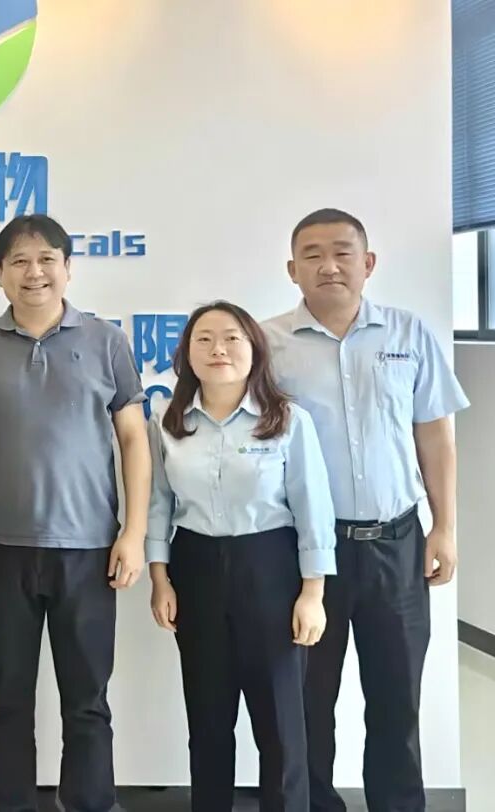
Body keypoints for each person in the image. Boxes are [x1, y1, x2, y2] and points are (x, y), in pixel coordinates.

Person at [0, 214, 150, 812]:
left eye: (47, 259)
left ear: (68, 268)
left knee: (88, 700)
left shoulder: (106, 341)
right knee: (7, 698)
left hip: (90, 549)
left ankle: (89, 802)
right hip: (0, 549)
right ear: (0, 275)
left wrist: (133, 532)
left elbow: (134, 438)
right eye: (19, 262)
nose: (34, 272)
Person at [263, 208, 469, 812]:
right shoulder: (266, 344)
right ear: (292, 270)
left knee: (397, 698)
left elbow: (435, 437)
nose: (329, 265)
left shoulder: (409, 334)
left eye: (342, 252)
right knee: (307, 701)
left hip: (396, 544)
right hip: (306, 554)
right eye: (312, 255)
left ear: (368, 262)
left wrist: (445, 527)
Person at [146, 301, 336, 812]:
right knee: (208, 718)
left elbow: (313, 507)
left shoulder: (287, 420)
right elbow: (158, 503)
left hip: (270, 568)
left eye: (232, 338)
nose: (219, 349)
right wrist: (160, 579)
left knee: (280, 722)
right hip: (194, 569)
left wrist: (313, 592)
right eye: (204, 339)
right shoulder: (167, 421)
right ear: (187, 353)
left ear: (254, 348)